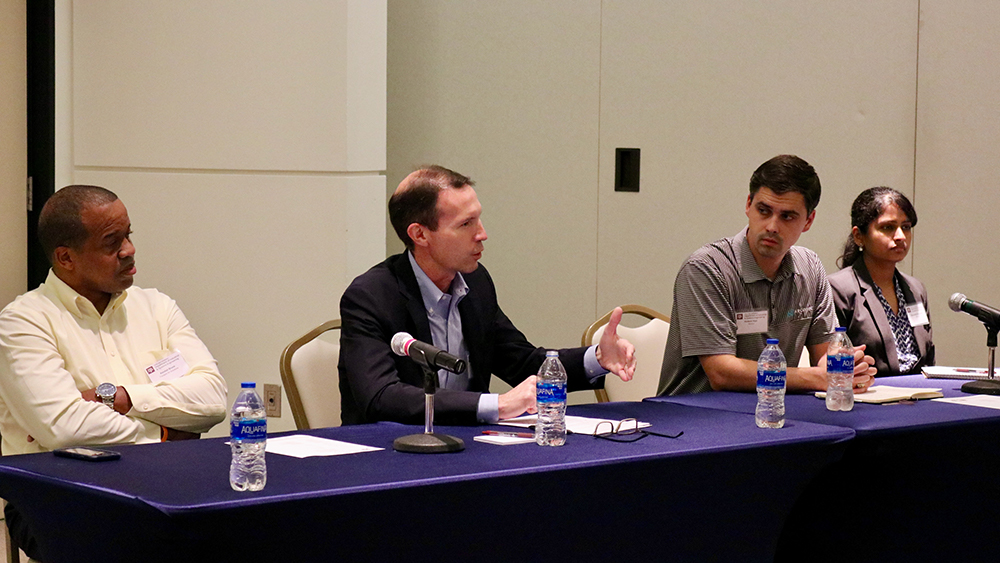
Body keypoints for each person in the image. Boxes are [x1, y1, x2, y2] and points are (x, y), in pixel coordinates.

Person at [0, 185, 229, 559]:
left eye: (129, 235)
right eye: (112, 242)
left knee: (247, 528)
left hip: (167, 485)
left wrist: (121, 398)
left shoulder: (157, 307)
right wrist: (169, 435)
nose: (129, 250)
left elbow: (212, 400)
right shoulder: (23, 323)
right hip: (63, 496)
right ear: (66, 258)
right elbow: (65, 427)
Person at [339, 165, 636, 425]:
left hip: (469, 448)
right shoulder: (371, 297)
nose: (482, 234)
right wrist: (498, 406)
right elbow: (381, 397)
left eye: (478, 219)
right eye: (466, 224)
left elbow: (522, 362)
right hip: (391, 454)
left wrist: (597, 358)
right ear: (420, 235)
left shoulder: (475, 283)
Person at [657, 155, 877, 396]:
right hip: (696, 417)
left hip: (774, 410)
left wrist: (843, 369)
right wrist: (814, 377)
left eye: (787, 216)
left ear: (808, 221)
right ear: (748, 204)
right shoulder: (707, 268)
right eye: (764, 210)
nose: (772, 226)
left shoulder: (810, 267)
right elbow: (721, 372)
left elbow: (824, 354)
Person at [829, 187, 933, 376]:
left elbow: (928, 359)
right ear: (859, 236)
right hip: (869, 396)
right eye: (888, 227)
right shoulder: (838, 289)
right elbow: (831, 363)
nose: (901, 236)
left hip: (920, 395)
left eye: (906, 227)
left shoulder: (916, 289)